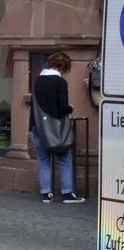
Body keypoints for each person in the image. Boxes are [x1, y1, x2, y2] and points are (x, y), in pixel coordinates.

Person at [30, 51, 83, 204]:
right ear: (64, 67)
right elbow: (62, 107)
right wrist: (70, 109)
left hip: (38, 126)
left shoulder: (38, 80)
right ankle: (67, 193)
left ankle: (46, 194)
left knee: (43, 161)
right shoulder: (60, 82)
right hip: (55, 129)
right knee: (65, 159)